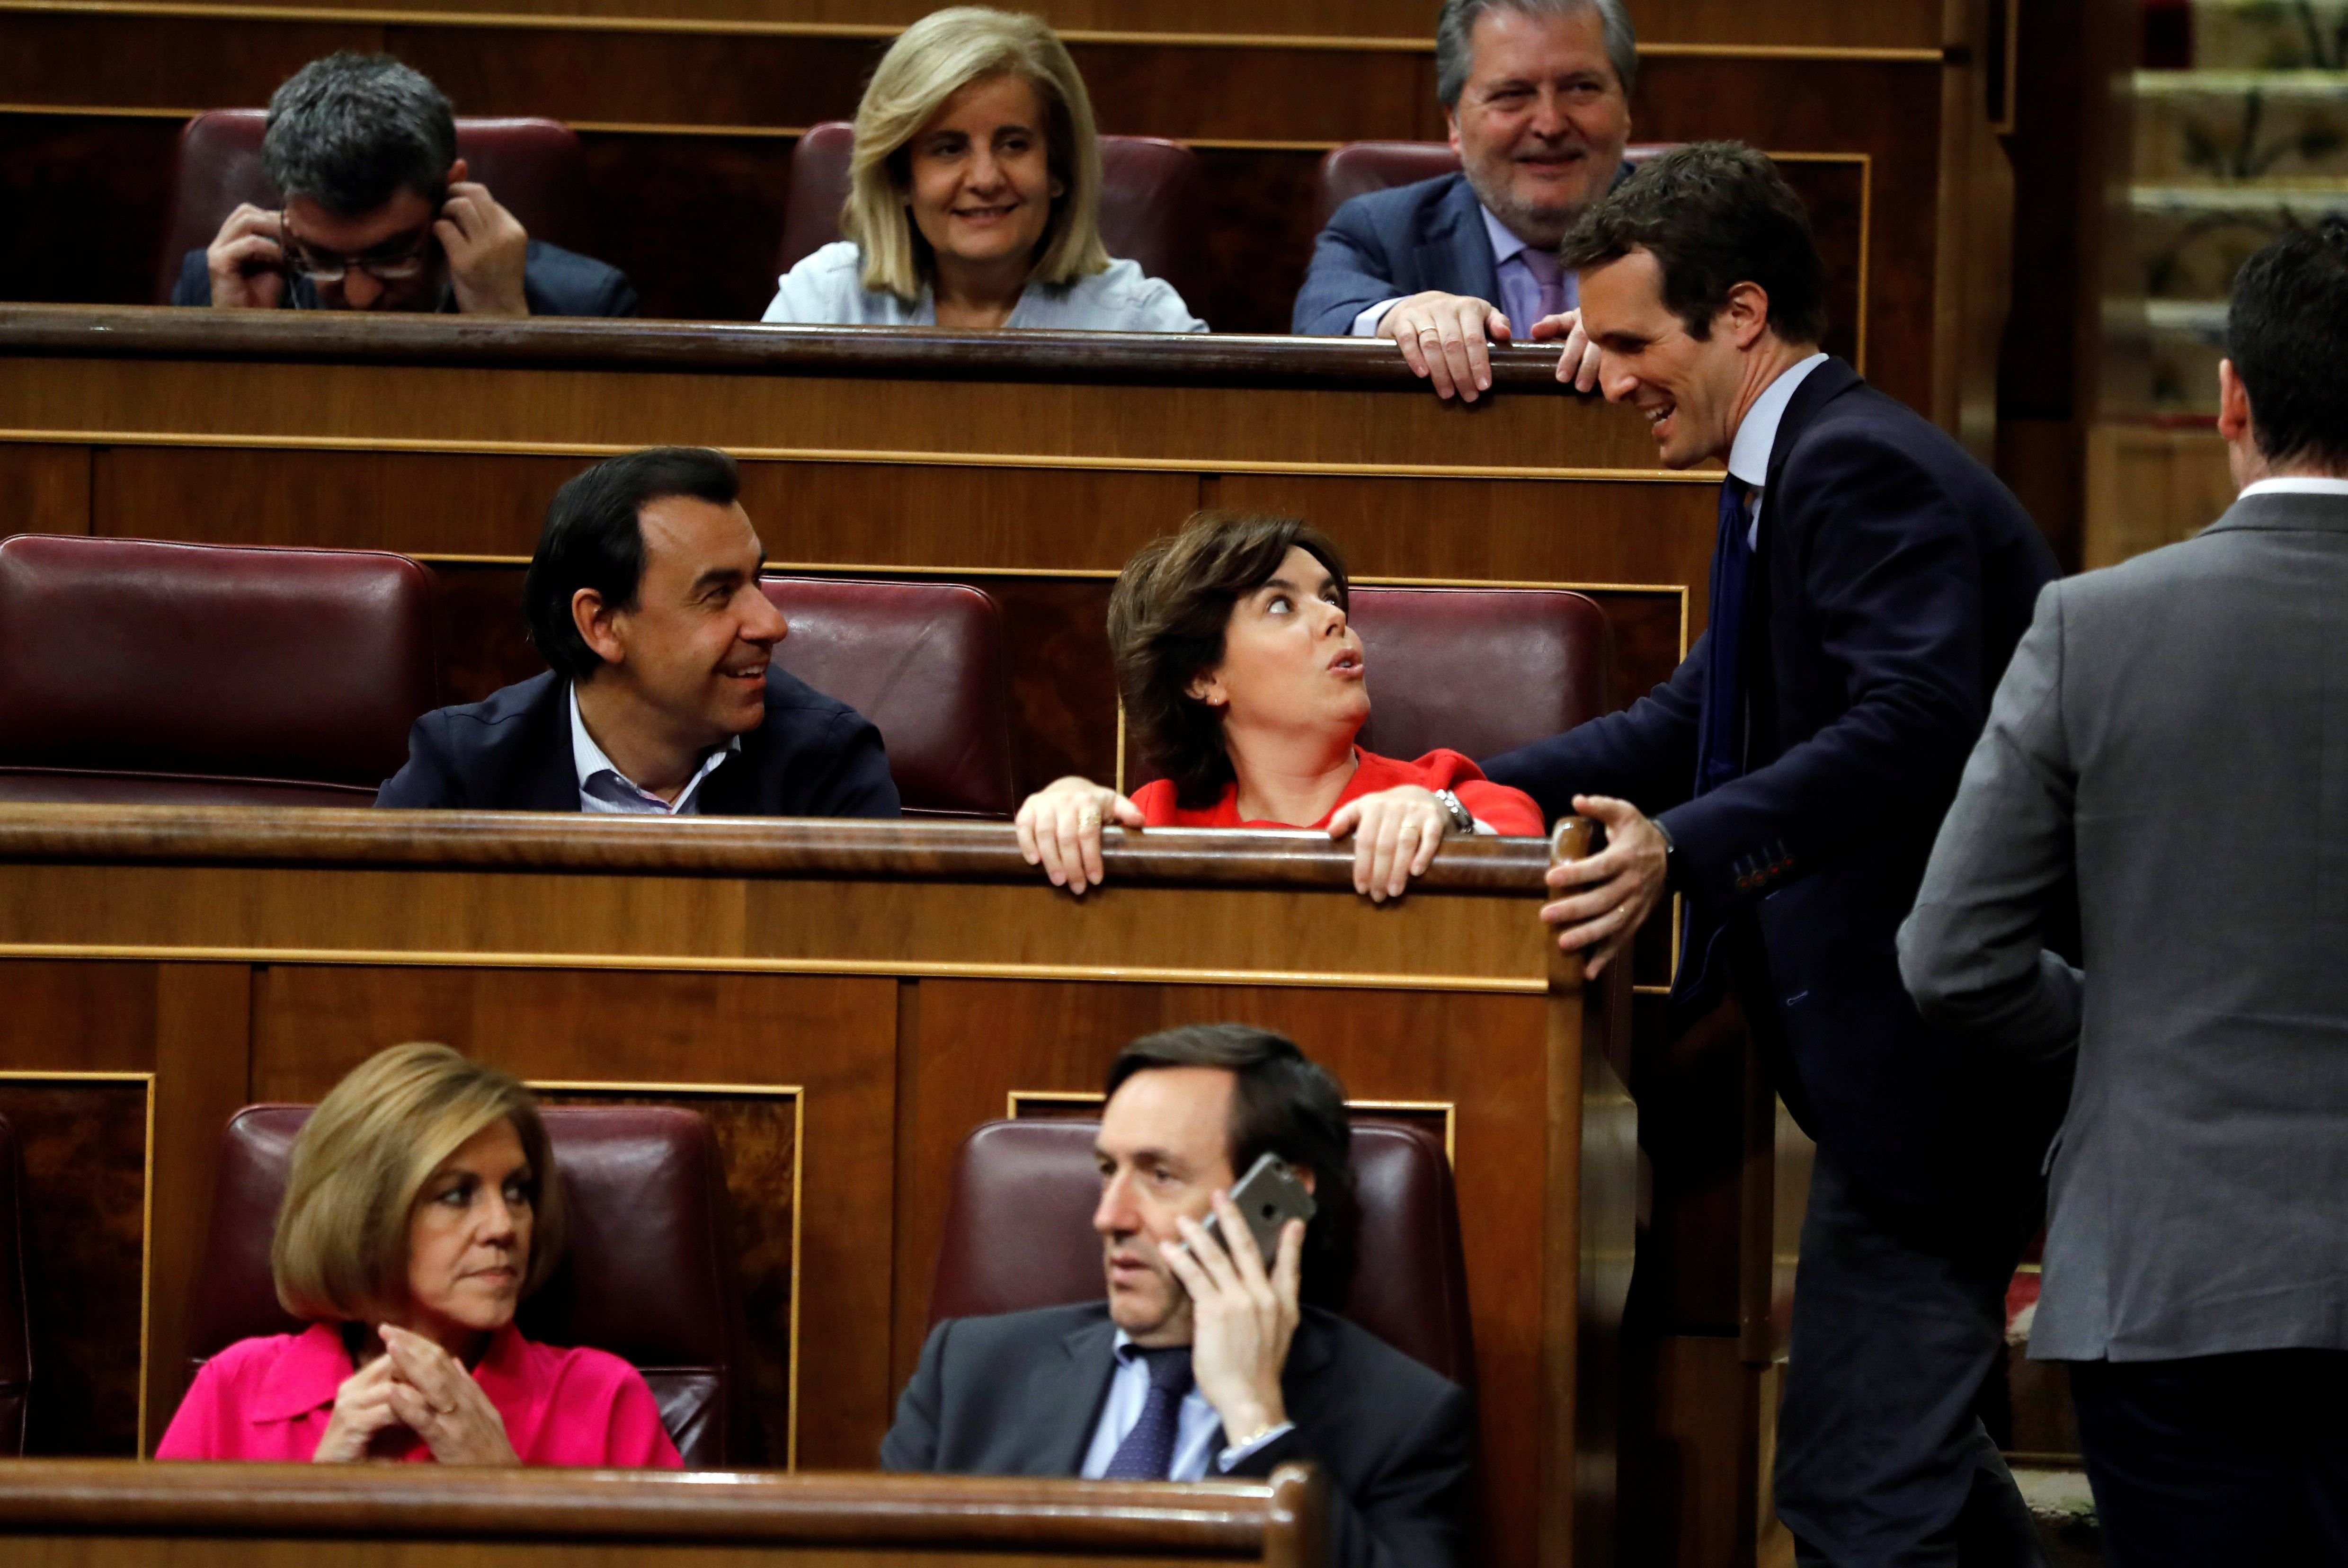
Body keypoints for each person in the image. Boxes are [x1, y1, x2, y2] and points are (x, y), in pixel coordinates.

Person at [1479, 144, 2065, 1566]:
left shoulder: (1854, 464)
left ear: (1741, 315)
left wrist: (1677, 852)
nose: (1600, 375)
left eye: (1628, 341)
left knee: (1861, 1488)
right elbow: (1703, 713)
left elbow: (1917, 721)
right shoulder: (1790, 462)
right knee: (1876, 1477)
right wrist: (1464, 791)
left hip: (1948, 1075)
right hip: (1902, 1078)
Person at [1898, 223, 2348, 1568]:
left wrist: (2129, 1028)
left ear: (2231, 398)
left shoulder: (2095, 627)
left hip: (2170, 1265)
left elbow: (1953, 956)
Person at [884, 1023, 1472, 1568]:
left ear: (1277, 1197)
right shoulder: (969, 1370)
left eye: (1160, 1176)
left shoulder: (1405, 1420)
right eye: (1107, 1170)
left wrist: (1255, 1420)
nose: (1108, 1216)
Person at [157, 1042, 682, 1467]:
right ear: (364, 1216)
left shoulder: (603, 1400)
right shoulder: (235, 1391)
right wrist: (314, 1509)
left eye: (518, 1191)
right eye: (457, 1195)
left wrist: (507, 1498)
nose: (504, 1226)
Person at [1014, 511, 1543, 900]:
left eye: (1330, 597)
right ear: (1204, 677)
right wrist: (1059, 814)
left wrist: (1446, 822)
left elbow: (1526, 854)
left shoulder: (1440, 790)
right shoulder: (1158, 820)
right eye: (1281, 605)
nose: (1334, 617)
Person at [376, 446, 898, 817]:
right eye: (718, 593)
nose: (772, 624)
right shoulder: (464, 771)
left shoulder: (828, 767)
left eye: (756, 581)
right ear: (602, 625)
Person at [762, 8, 1203, 333]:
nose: (986, 179)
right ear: (900, 178)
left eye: (1014, 145)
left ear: (1058, 168)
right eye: (949, 150)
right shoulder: (823, 303)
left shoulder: (1139, 320)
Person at [1291, 0, 1630, 402]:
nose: (1550, 124)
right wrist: (1399, 317)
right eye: (1512, 94)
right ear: (1454, 123)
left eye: (1581, 88)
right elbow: (1319, 320)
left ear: (1626, 108)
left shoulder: (1698, 224)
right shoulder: (1379, 228)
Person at [171, 53, 636, 317]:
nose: (359, 296)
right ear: (284, 206)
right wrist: (238, 345)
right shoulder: (215, 287)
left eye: (391, 255)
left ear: (450, 191)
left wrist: (505, 329)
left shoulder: (587, 303)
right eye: (321, 258)